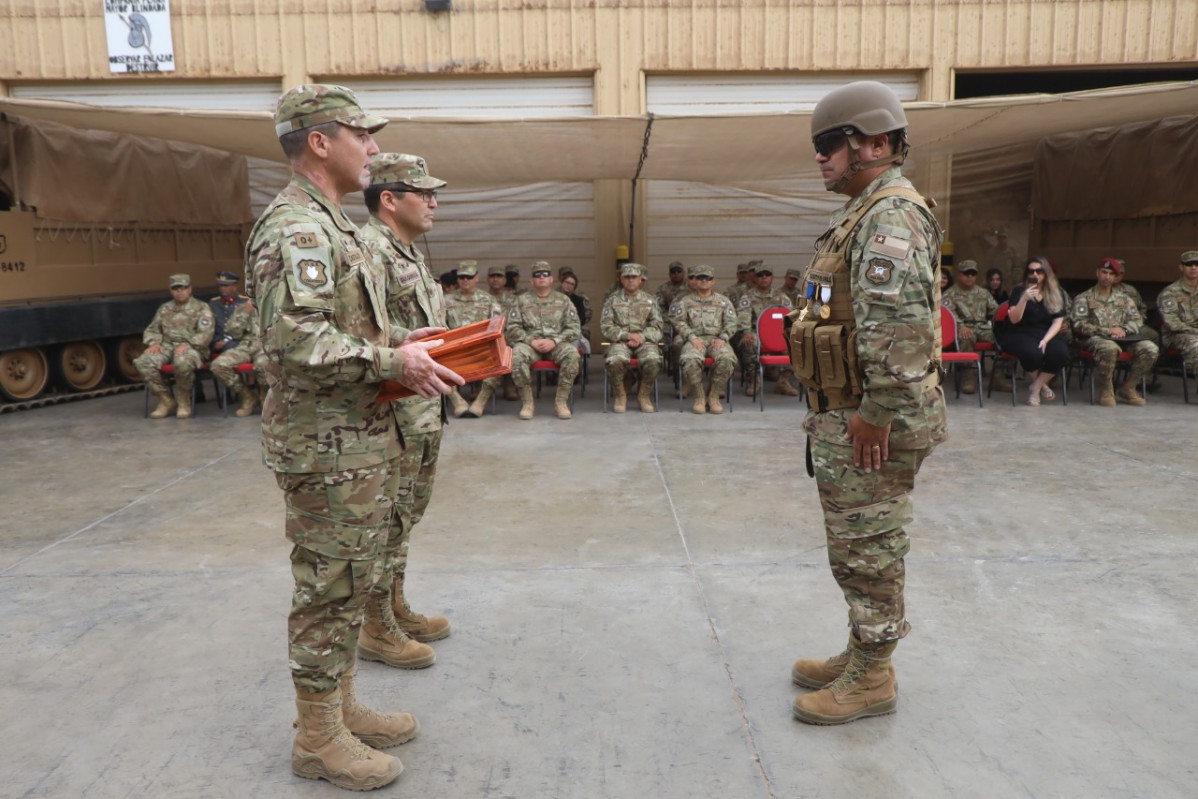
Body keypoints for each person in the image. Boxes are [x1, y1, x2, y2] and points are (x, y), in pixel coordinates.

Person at [244, 84, 462, 792]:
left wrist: (406, 340)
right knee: (328, 591)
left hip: (359, 440)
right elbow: (292, 339)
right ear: (319, 141)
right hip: (326, 445)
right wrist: (394, 360)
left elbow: (351, 329)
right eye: (361, 136)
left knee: (351, 581)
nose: (371, 150)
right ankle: (317, 738)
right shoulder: (297, 229)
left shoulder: (332, 226)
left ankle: (338, 709)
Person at [788, 81, 946, 726]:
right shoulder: (863, 210)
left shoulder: (888, 217)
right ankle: (862, 651)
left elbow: (902, 333)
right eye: (820, 146)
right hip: (851, 411)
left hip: (870, 418)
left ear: (876, 144)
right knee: (855, 545)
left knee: (869, 549)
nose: (821, 158)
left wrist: (874, 415)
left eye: (832, 144)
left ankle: (873, 673)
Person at [360, 152, 455, 670]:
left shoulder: (408, 251)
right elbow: (358, 331)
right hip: (391, 412)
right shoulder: (368, 251)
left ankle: (393, 607)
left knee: (406, 517)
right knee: (386, 520)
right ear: (390, 200)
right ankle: (376, 627)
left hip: (420, 407)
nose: (434, 201)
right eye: (424, 193)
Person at [1070, 257, 1159, 406]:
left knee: (1151, 349)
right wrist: (1107, 330)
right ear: (1097, 273)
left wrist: (1124, 329)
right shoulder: (1084, 298)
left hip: (1124, 338)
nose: (1107, 276)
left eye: (1111, 274)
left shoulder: (1124, 299)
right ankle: (1106, 388)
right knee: (1110, 348)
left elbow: (1136, 320)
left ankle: (1129, 387)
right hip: (1096, 338)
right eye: (1104, 272)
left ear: (1117, 277)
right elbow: (1078, 324)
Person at [506, 261, 582, 419]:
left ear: (552, 279)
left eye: (545, 274)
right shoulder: (521, 301)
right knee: (516, 356)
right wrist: (531, 341)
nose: (542, 277)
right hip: (530, 345)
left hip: (556, 344)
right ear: (531, 280)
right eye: (537, 275)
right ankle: (527, 403)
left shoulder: (563, 300)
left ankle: (561, 402)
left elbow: (574, 328)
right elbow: (512, 328)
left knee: (572, 355)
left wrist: (555, 340)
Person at [134, 273, 215, 419]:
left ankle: (184, 401)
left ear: (190, 289)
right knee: (143, 362)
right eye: (176, 288)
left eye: (183, 288)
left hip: (193, 347)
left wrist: (188, 344)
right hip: (167, 346)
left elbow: (206, 333)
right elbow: (153, 329)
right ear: (170, 290)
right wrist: (154, 343)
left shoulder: (201, 307)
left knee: (182, 362)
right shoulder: (165, 309)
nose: (179, 292)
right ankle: (165, 399)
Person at [997, 257, 1070, 406]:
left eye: (1039, 271)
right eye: (1031, 271)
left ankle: (1035, 387)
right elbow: (1014, 319)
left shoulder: (1056, 292)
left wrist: (1046, 340)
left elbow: (1058, 321)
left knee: (1060, 353)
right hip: (1020, 331)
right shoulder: (1019, 290)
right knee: (1032, 353)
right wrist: (1023, 300)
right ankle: (1042, 386)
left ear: (1047, 273)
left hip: (1046, 331)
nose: (1035, 274)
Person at [669, 264, 738, 414]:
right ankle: (699, 397)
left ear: (713, 281)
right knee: (690, 360)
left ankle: (713, 396)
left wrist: (723, 338)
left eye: (708, 278)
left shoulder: (723, 301)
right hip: (695, 339)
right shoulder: (685, 301)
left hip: (716, 339)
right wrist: (691, 337)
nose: (704, 281)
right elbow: (678, 321)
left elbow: (732, 322)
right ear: (695, 280)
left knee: (727, 359)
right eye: (700, 278)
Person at [600, 262, 664, 412]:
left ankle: (644, 395)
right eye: (627, 277)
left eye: (634, 277)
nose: (630, 280)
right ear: (621, 279)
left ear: (641, 280)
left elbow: (658, 326)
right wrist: (628, 335)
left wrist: (641, 336)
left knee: (653, 360)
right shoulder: (612, 300)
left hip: (645, 341)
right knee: (615, 361)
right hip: (620, 342)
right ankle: (621, 395)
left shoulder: (650, 301)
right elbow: (606, 326)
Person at [444, 260, 505, 417]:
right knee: (435, 363)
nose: (465, 280)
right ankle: (457, 400)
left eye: (469, 277)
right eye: (462, 277)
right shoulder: (446, 301)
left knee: (498, 359)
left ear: (477, 278)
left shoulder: (488, 300)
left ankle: (480, 401)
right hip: (453, 349)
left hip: (480, 349)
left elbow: (497, 326)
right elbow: (438, 326)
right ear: (457, 278)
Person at [208, 270, 266, 417]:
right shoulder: (243, 307)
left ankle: (266, 398)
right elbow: (233, 331)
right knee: (218, 366)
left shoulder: (274, 307)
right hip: (246, 345)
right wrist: (245, 312)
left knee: (263, 366)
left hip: (267, 346)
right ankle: (247, 396)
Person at [733, 263, 795, 397]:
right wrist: (747, 332)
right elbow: (743, 318)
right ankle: (754, 380)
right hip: (756, 334)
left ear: (772, 277)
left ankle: (783, 381)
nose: (764, 278)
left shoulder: (781, 297)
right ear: (755, 278)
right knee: (749, 342)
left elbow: (792, 318)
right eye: (760, 275)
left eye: (767, 275)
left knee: (796, 345)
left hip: (778, 335)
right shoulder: (747, 297)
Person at [940, 259, 999, 394]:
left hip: (982, 328)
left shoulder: (983, 293)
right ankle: (968, 376)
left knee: (1003, 337)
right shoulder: (950, 294)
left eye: (973, 274)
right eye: (966, 273)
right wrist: (960, 326)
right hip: (964, 328)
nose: (970, 277)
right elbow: (948, 315)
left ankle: (998, 377)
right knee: (966, 337)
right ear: (959, 275)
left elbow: (995, 311)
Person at [1157, 249, 1198, 377]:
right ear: (1181, 267)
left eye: (1197, 264)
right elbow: (1172, 323)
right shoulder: (1170, 292)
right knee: (1196, 346)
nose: (1193, 268)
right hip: (1176, 335)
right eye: (1189, 264)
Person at [559, 269, 593, 354]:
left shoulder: (578, 300)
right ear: (562, 283)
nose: (569, 285)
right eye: (567, 282)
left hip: (572, 328)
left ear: (574, 287)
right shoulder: (554, 297)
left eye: (572, 284)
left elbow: (582, 319)